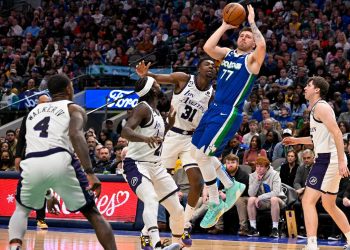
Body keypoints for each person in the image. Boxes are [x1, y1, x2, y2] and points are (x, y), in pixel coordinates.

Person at [8, 74, 117, 250]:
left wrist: (49, 194)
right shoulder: (74, 109)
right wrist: (90, 172)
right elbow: (75, 135)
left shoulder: (31, 114)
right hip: (60, 158)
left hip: (32, 162)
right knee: (92, 213)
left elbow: (41, 155)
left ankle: (14, 247)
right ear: (68, 88)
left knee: (21, 210)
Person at [191, 4, 266, 228]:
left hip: (228, 112)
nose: (244, 37)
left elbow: (262, 45)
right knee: (196, 153)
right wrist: (225, 25)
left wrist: (252, 22)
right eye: (241, 34)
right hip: (214, 108)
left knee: (203, 155)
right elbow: (208, 46)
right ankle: (231, 185)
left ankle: (215, 202)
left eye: (248, 36)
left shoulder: (252, 61)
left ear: (252, 43)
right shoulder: (227, 54)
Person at [135, 57, 215, 232]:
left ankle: (185, 222)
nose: (211, 67)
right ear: (198, 68)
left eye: (213, 65)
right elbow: (158, 78)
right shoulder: (184, 79)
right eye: (207, 64)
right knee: (160, 182)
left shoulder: (212, 94)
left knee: (197, 182)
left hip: (191, 139)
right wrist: (146, 74)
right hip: (171, 134)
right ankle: (149, 226)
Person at [121, 76, 190, 250]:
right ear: (152, 89)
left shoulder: (157, 112)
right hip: (136, 164)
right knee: (151, 200)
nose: (160, 86)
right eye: (157, 84)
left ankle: (172, 243)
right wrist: (145, 138)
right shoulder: (142, 108)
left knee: (177, 209)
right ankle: (156, 245)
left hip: (156, 166)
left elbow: (156, 139)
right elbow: (125, 131)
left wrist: (169, 125)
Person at [283, 76, 350, 250]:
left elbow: (337, 133)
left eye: (308, 85)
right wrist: (296, 141)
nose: (305, 88)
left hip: (329, 159)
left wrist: (342, 161)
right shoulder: (315, 110)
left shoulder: (321, 107)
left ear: (317, 90)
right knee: (328, 204)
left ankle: (312, 244)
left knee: (307, 200)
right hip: (328, 158)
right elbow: (317, 138)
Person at [14, 94, 53, 230]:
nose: (43, 106)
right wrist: (18, 155)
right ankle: (21, 215)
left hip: (48, 157)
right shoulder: (29, 116)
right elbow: (21, 137)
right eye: (40, 103)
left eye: (46, 103)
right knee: (25, 186)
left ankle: (40, 218)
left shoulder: (54, 117)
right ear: (37, 104)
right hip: (30, 157)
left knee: (42, 187)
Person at [247, 156, 286, 238]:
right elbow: (251, 194)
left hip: (278, 200)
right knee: (251, 199)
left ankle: (275, 229)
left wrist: (260, 197)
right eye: (257, 166)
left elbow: (276, 192)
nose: (259, 169)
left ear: (267, 167)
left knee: (274, 199)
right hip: (262, 202)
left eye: (261, 166)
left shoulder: (275, 174)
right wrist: (257, 181)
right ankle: (253, 228)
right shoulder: (252, 176)